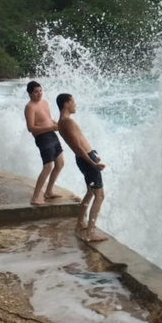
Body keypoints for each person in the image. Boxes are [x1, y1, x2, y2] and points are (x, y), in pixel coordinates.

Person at [56, 93, 108, 242]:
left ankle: (80, 223)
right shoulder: (67, 122)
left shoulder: (62, 122)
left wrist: (93, 155)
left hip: (85, 158)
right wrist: (93, 163)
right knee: (99, 195)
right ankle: (90, 233)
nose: (75, 105)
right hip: (86, 159)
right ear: (66, 104)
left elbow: (79, 145)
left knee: (91, 192)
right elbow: (78, 147)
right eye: (73, 102)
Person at [24, 81, 64, 205]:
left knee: (60, 163)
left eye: (40, 91)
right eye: (36, 92)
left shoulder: (45, 103)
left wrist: (56, 124)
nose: (39, 93)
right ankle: (35, 197)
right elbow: (31, 128)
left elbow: (48, 119)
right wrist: (49, 128)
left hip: (52, 135)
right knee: (48, 166)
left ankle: (49, 191)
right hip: (42, 137)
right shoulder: (30, 107)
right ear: (30, 94)